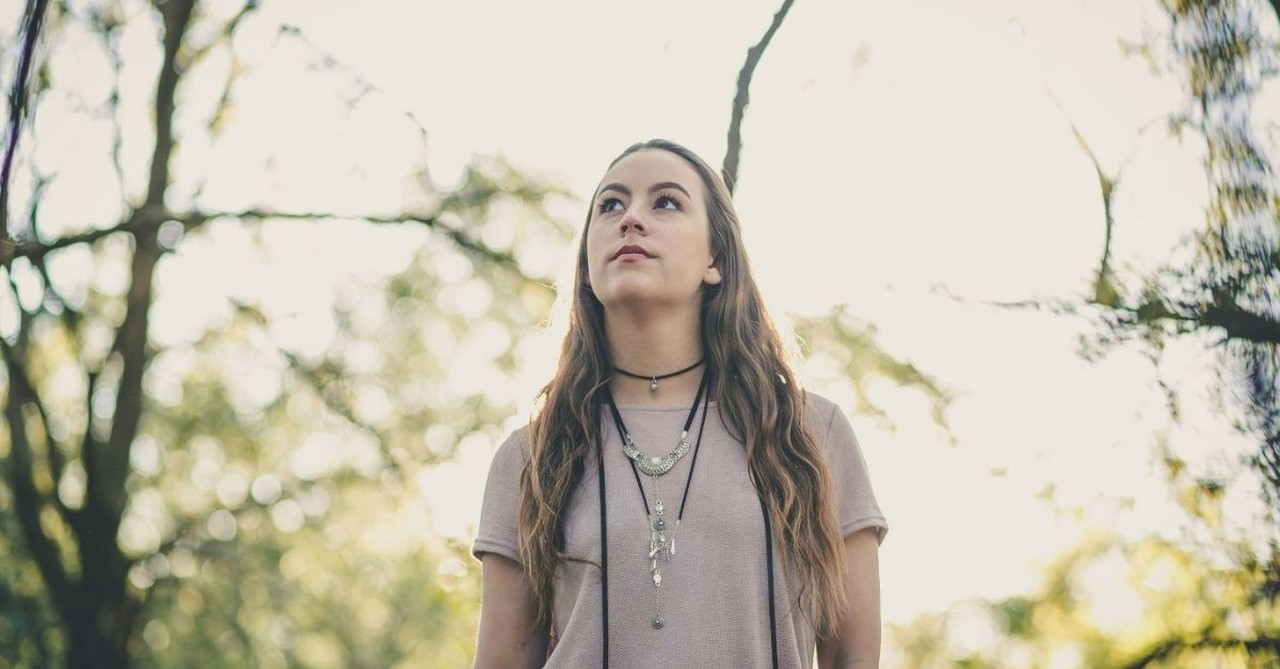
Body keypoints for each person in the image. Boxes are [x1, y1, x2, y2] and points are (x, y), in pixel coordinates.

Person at [471, 139, 887, 668]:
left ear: (715, 257)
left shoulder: (809, 433)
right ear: (586, 261)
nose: (631, 219)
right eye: (611, 205)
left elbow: (851, 654)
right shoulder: (531, 454)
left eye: (665, 202)